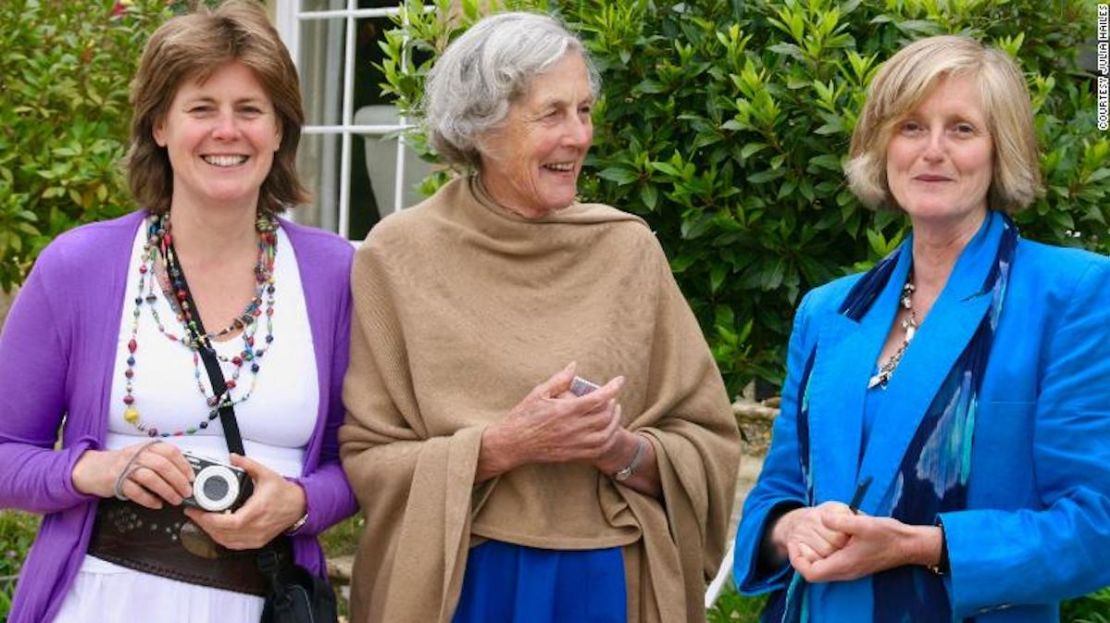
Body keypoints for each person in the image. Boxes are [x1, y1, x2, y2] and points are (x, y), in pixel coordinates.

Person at [339, 11, 741, 623]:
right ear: (481, 126)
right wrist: (504, 446)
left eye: (583, 111)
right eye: (551, 113)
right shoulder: (398, 256)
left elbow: (708, 442)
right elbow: (368, 457)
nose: (578, 136)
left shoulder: (627, 248)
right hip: (464, 582)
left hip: (613, 580)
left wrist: (617, 449)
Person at [733, 35, 1110, 622]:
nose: (933, 150)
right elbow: (775, 493)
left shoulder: (1071, 294)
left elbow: (1096, 527)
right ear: (882, 148)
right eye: (911, 127)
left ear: (998, 151)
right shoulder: (827, 311)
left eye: (961, 128)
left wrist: (923, 546)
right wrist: (790, 528)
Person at [0, 2, 357, 621]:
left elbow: (362, 460)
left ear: (280, 130)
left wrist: (300, 504)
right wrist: (94, 470)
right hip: (101, 599)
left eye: (250, 110)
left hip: (264, 604)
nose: (227, 131)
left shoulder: (336, 276)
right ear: (160, 126)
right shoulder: (79, 266)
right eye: (201, 109)